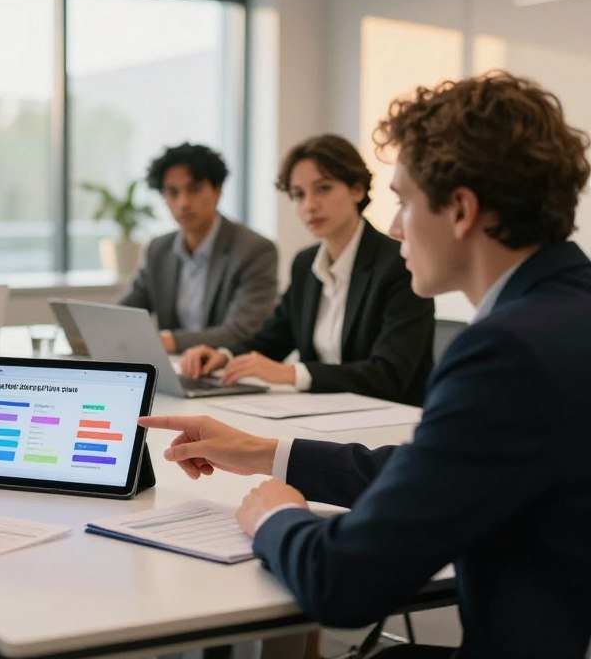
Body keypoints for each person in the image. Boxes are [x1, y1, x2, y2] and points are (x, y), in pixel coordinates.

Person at [142, 72, 591, 658]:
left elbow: (343, 584)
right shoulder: (568, 311)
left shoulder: (505, 353)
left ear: (460, 209)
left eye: (404, 201)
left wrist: (276, 518)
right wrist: (263, 451)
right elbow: (432, 470)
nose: (397, 226)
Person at [182, 134, 434, 406]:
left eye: (323, 188)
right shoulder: (305, 264)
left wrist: (292, 374)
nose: (309, 205)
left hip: (390, 419)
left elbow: (389, 375)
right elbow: (275, 338)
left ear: (357, 190)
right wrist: (224, 355)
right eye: (298, 194)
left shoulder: (399, 263)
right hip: (321, 413)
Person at [119, 142, 278, 353]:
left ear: (217, 192)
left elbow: (241, 330)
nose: (183, 202)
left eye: (194, 189)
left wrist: (167, 341)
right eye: (172, 192)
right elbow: (127, 312)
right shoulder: (158, 249)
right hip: (175, 368)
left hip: (228, 369)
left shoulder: (254, 250)